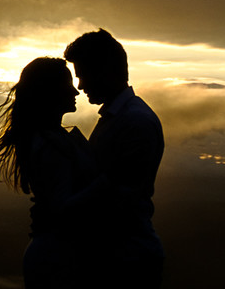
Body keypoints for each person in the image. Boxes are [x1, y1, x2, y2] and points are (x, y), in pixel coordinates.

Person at [0, 56, 96, 289]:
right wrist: (108, 183)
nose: (76, 92)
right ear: (50, 92)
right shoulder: (50, 144)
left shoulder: (49, 139)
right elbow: (62, 207)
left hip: (54, 253)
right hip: (57, 258)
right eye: (67, 86)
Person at [64, 29, 164, 289]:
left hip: (126, 261)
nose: (80, 85)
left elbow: (116, 192)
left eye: (83, 75)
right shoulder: (119, 118)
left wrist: (59, 211)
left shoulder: (134, 122)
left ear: (105, 71)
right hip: (118, 256)